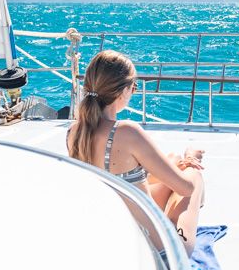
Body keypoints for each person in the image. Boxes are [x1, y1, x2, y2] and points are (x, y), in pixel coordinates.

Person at [66, 50, 204, 255]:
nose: (134, 92)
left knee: (173, 160)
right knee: (194, 176)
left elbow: (125, 176)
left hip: (111, 236)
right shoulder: (126, 131)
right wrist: (193, 159)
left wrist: (175, 166)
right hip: (157, 252)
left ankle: (178, 168)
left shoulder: (75, 132)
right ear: (123, 91)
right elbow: (186, 188)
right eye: (134, 87)